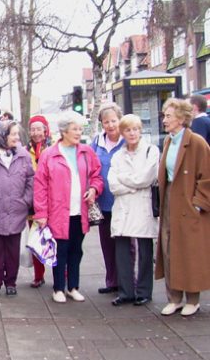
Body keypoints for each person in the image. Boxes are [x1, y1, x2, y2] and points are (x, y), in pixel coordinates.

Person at [33, 111, 103, 304]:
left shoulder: (86, 152)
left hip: (79, 211)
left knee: (76, 249)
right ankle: (58, 288)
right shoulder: (49, 155)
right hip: (57, 212)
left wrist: (94, 189)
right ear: (64, 131)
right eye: (75, 129)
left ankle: (73, 286)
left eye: (80, 129)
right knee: (60, 250)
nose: (79, 132)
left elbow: (97, 175)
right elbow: (40, 186)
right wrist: (41, 213)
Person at [156, 98, 210, 317]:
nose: (164, 120)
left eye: (168, 116)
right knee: (169, 248)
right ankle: (174, 298)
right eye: (164, 116)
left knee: (189, 251)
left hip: (188, 203)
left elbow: (206, 176)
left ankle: (193, 299)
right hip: (170, 200)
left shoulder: (196, 142)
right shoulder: (169, 141)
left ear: (181, 118)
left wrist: (198, 204)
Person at [107, 114, 159, 306]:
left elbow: (146, 178)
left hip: (142, 206)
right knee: (122, 250)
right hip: (123, 207)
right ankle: (126, 291)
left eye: (135, 129)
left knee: (145, 250)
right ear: (122, 133)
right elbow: (113, 184)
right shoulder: (118, 155)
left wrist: (127, 181)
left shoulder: (151, 151)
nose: (132, 133)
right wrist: (134, 184)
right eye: (128, 130)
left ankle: (144, 290)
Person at [0, 121, 34, 297]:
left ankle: (11, 282)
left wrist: (25, 201)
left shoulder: (23, 155)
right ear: (3, 135)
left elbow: (30, 180)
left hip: (16, 211)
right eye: (13, 134)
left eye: (18, 134)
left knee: (13, 251)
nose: (17, 138)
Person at [89, 102, 126, 294]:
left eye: (113, 121)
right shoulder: (96, 142)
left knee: (126, 245)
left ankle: (127, 282)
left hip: (123, 202)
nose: (110, 125)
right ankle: (112, 280)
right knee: (107, 244)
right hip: (103, 202)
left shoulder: (127, 140)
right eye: (106, 122)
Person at [26, 115, 51, 288]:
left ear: (45, 130)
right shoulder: (25, 150)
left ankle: (62, 274)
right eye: (33, 129)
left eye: (39, 129)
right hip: (32, 202)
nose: (36, 133)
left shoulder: (54, 148)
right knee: (36, 240)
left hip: (52, 202)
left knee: (55, 240)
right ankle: (38, 275)